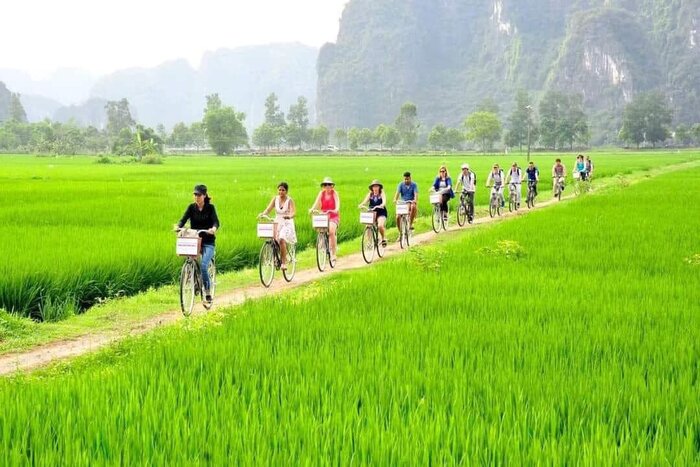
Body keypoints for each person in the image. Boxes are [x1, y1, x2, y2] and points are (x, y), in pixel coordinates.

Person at [174, 184, 219, 302]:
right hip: (195, 240)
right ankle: (193, 280)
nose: (196, 197)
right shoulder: (191, 207)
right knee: (190, 259)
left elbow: (216, 222)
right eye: (195, 194)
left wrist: (213, 229)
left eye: (199, 195)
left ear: (204, 195)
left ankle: (208, 292)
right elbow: (183, 220)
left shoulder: (210, 208)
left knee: (204, 266)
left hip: (208, 242)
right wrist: (178, 226)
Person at [259, 182, 296, 270]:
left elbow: (293, 212)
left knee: (282, 239)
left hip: (287, 223)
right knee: (274, 239)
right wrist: (262, 214)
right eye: (279, 190)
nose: (281, 192)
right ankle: (277, 256)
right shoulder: (275, 199)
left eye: (283, 190)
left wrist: (289, 216)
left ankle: (284, 262)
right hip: (277, 222)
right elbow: (268, 209)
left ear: (286, 191)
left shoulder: (289, 200)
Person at [309, 177, 340, 262]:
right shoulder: (321, 193)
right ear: (323, 186)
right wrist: (312, 209)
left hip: (333, 216)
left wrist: (336, 208)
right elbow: (316, 203)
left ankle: (333, 253)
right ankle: (322, 243)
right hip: (324, 216)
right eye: (325, 185)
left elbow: (337, 202)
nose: (327, 186)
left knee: (331, 231)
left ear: (332, 186)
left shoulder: (334, 193)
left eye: (329, 185)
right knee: (319, 229)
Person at [358, 179, 388, 247]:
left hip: (381, 212)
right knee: (368, 225)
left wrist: (382, 205)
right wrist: (361, 205)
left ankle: (383, 238)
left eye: (377, 186)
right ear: (372, 188)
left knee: (380, 225)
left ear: (379, 187)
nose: (375, 188)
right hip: (372, 212)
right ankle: (369, 242)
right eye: (374, 187)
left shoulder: (381, 193)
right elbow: (365, 201)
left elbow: (384, 201)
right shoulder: (370, 194)